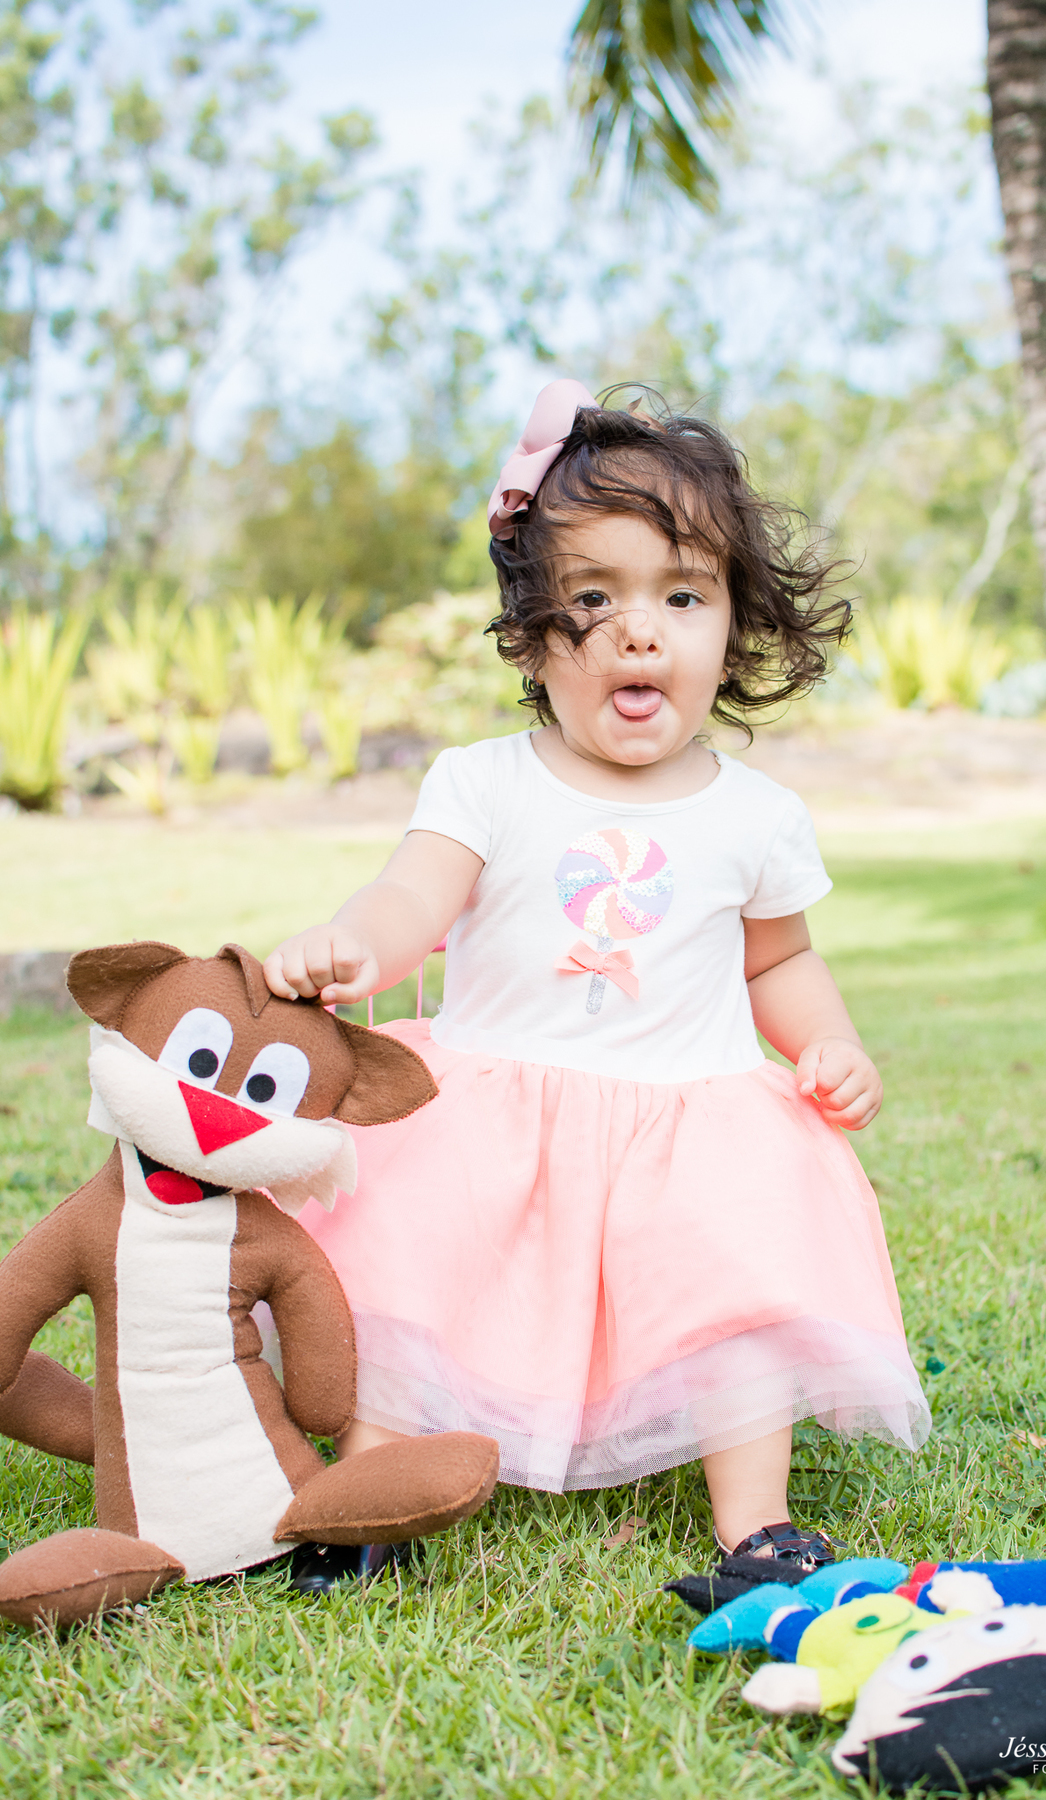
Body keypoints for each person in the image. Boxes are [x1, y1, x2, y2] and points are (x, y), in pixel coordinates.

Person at [264, 381, 930, 1584]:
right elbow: (416, 897)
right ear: (530, 635)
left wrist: (826, 1045)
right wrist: (358, 943)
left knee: (733, 1290)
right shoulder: (486, 783)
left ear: (733, 624)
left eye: (683, 595)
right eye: (596, 599)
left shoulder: (756, 814)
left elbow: (779, 958)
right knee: (424, 1272)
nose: (641, 630)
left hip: (694, 1116)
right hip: (494, 1103)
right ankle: (371, 1482)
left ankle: (754, 1522)